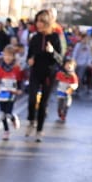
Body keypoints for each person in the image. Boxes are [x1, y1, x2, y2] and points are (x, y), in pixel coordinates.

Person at [22, 9, 65, 141]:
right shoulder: (35, 38)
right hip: (35, 72)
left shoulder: (56, 37)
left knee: (43, 103)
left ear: (48, 22)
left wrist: (52, 51)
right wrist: (29, 60)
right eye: (37, 21)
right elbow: (29, 55)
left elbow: (61, 59)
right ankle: (31, 121)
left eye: (42, 21)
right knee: (32, 99)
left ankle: (39, 130)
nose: (39, 24)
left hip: (49, 74)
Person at [0, 45, 24, 138]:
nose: (7, 57)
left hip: (12, 93)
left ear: (13, 57)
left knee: (8, 113)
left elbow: (20, 80)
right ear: (3, 56)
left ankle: (13, 118)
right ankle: (6, 130)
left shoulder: (16, 68)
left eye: (10, 55)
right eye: (6, 55)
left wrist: (20, 89)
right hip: (2, 93)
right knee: (2, 114)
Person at [54, 57, 79, 124]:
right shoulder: (60, 73)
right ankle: (59, 110)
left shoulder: (73, 76)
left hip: (68, 91)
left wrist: (72, 87)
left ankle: (64, 115)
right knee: (60, 103)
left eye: (70, 65)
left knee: (67, 104)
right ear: (64, 65)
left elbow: (76, 84)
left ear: (74, 67)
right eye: (67, 64)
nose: (69, 66)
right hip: (60, 90)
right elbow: (56, 80)